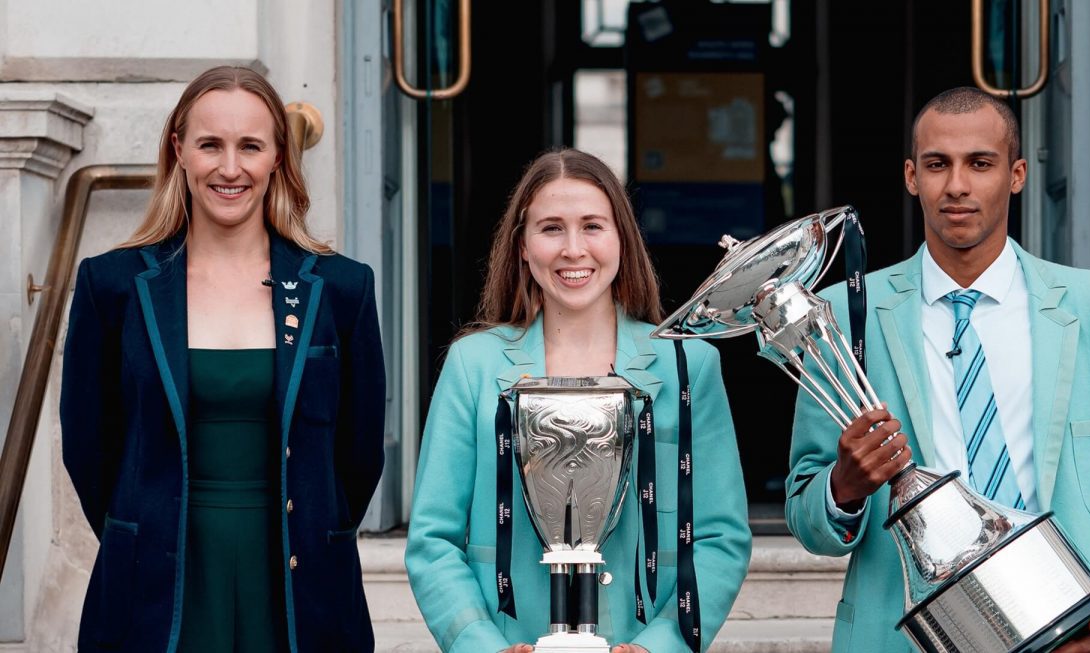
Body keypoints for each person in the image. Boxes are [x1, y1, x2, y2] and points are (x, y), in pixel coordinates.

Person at [782, 87, 1090, 653]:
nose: (957, 185)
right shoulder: (842, 318)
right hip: (904, 635)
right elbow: (808, 518)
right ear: (911, 176)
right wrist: (843, 488)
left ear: (1017, 174)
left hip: (1067, 627)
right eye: (938, 164)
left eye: (980, 163)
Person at [60, 66, 385, 652]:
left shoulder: (342, 288)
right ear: (179, 151)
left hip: (301, 584)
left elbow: (358, 454)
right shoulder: (112, 286)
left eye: (250, 147)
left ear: (278, 157)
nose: (230, 168)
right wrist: (143, 526)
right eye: (210, 144)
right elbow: (89, 447)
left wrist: (313, 525)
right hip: (155, 582)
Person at [406, 148, 751, 653]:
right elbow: (433, 540)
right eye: (551, 229)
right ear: (523, 246)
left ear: (621, 239)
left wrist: (661, 645)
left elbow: (721, 538)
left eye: (592, 226)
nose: (573, 249)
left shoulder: (688, 366)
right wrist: (480, 645)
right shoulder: (472, 365)